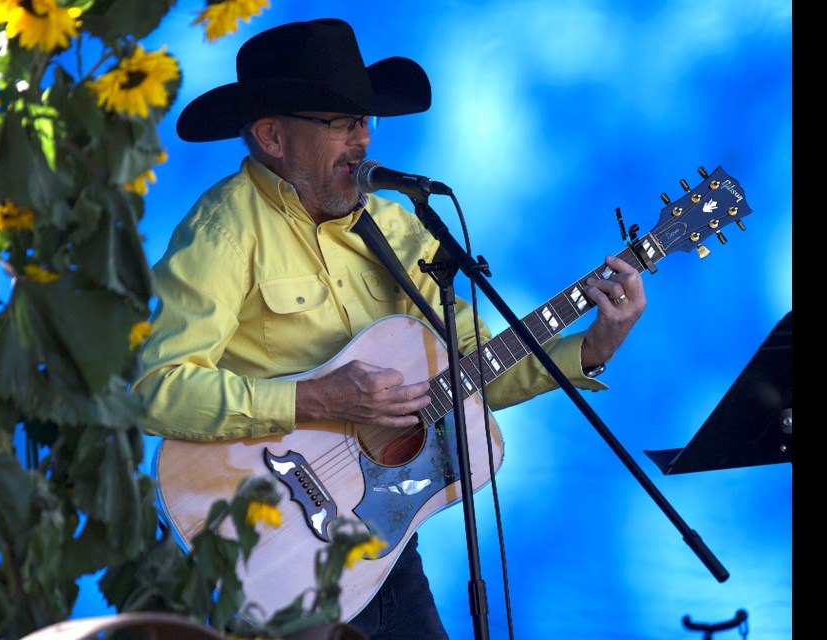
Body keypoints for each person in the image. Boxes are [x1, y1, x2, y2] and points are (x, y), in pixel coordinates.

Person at [133, 17, 646, 640]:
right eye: (341, 123)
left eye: (365, 122)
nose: (362, 140)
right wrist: (315, 398)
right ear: (272, 135)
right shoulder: (224, 231)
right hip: (268, 553)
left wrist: (592, 347)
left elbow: (475, 369)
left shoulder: (398, 227)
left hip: (379, 545)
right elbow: (156, 389)